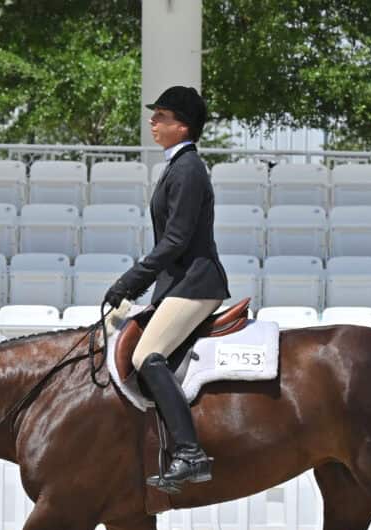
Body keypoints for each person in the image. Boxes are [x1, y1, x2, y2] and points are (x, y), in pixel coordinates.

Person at [104, 86, 230, 491]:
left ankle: (191, 454)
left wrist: (131, 281)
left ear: (182, 126)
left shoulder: (189, 168)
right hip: (178, 283)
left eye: (161, 117)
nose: (153, 123)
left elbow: (176, 240)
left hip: (196, 283)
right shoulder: (177, 166)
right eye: (154, 116)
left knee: (147, 356)